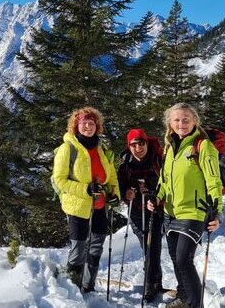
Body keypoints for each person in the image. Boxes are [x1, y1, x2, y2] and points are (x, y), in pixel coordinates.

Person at [148, 103, 223, 308]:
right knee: (175, 258)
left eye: (185, 119)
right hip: (170, 212)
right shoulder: (170, 147)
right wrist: (156, 198)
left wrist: (217, 213)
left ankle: (195, 305)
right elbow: (164, 180)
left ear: (194, 121)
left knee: (184, 259)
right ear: (170, 123)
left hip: (194, 211)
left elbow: (213, 181)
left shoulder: (202, 146)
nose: (181, 123)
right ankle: (184, 298)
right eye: (177, 120)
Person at [52, 107, 120, 293]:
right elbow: (60, 180)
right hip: (77, 206)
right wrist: (85, 189)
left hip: (100, 206)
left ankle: (88, 287)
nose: (88, 127)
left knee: (96, 247)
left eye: (91, 123)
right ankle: (73, 290)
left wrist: (114, 195)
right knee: (78, 249)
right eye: (84, 123)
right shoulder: (68, 148)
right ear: (76, 126)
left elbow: (111, 176)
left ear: (97, 126)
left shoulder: (101, 149)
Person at [117, 128, 164, 301]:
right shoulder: (125, 165)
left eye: (141, 143)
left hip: (156, 209)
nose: (138, 148)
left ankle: (150, 285)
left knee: (153, 246)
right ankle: (155, 282)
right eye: (134, 145)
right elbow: (120, 187)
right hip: (136, 211)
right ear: (129, 146)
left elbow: (167, 181)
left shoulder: (157, 159)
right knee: (148, 246)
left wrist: (151, 189)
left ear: (146, 143)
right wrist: (126, 194)